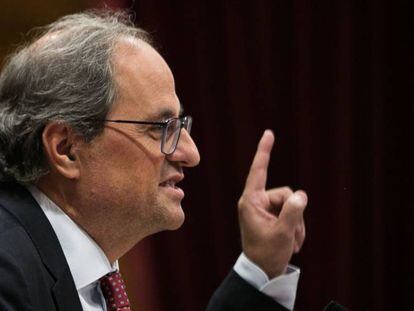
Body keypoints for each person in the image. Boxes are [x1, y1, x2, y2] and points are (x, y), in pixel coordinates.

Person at [0, 10, 307, 311]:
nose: (192, 155)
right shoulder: (8, 273)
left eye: (181, 126)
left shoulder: (78, 272)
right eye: (161, 128)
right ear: (66, 148)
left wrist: (260, 268)